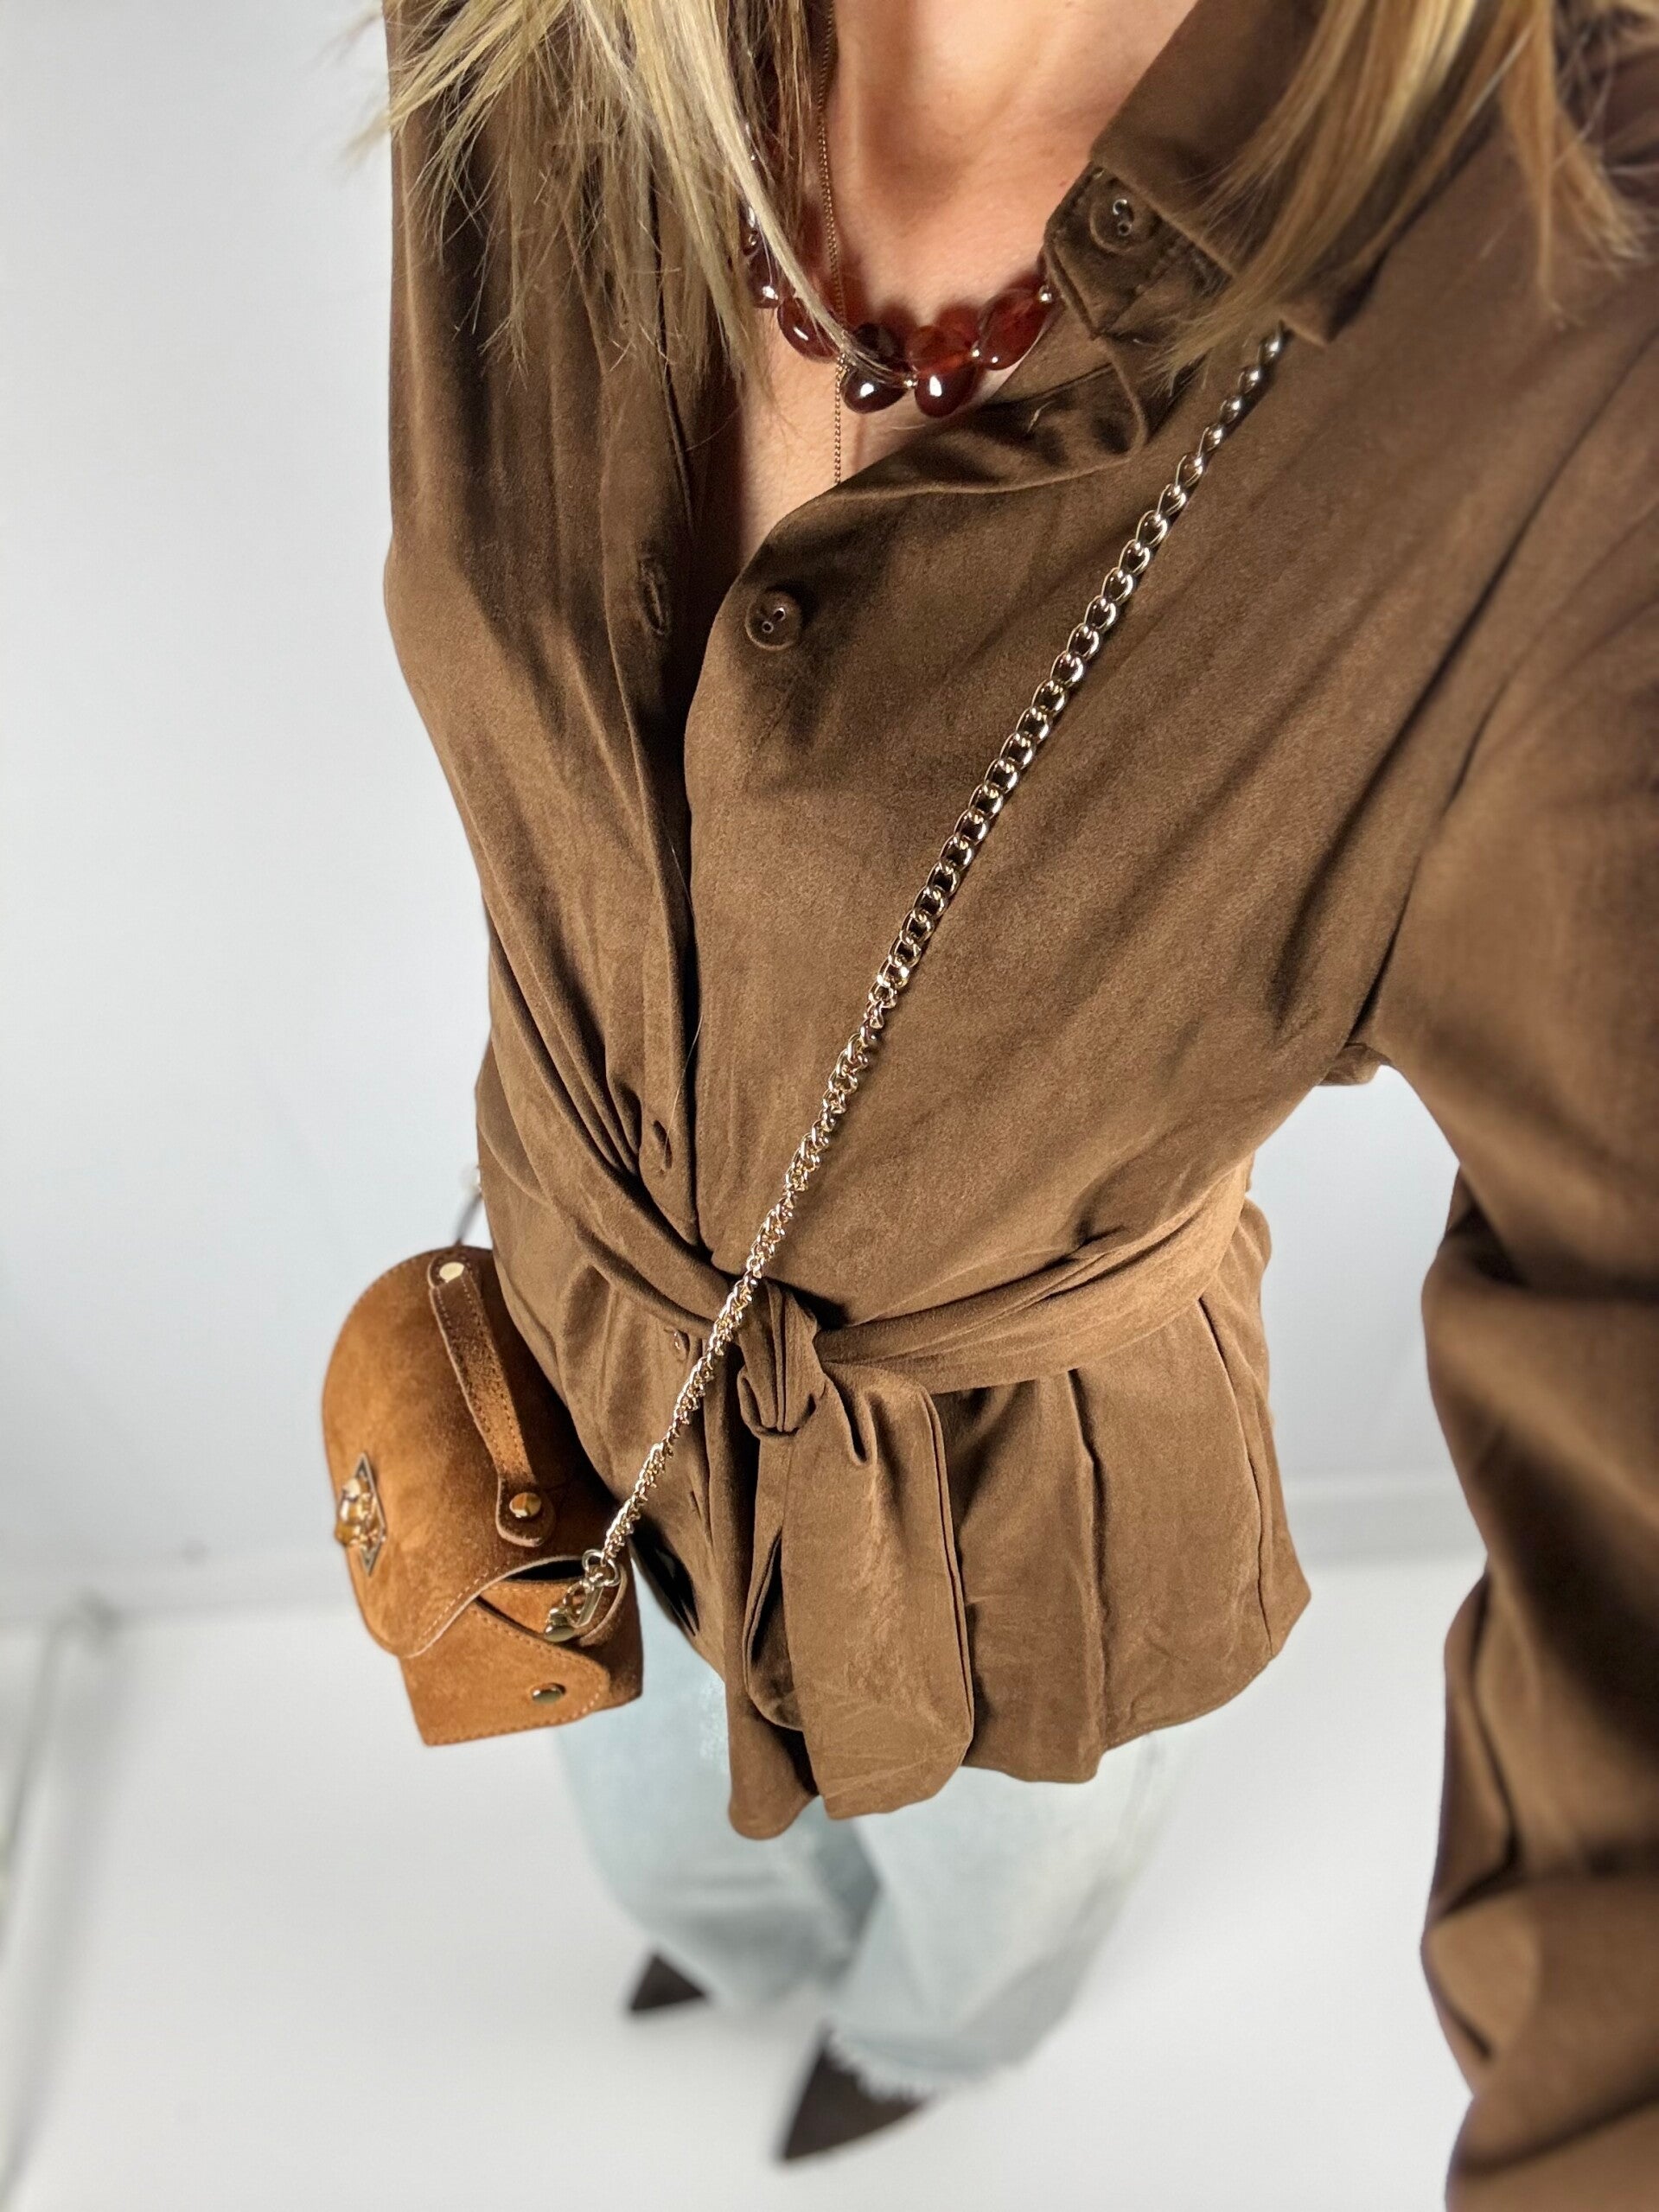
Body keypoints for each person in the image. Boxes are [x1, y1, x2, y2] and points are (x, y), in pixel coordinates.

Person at [375, 0, 1659, 2192]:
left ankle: (922, 2051)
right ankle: (739, 1944)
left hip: (1014, 1522)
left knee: (983, 1926)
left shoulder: (1572, 310)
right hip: (579, 1393)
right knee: (658, 1834)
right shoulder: (531, 45)